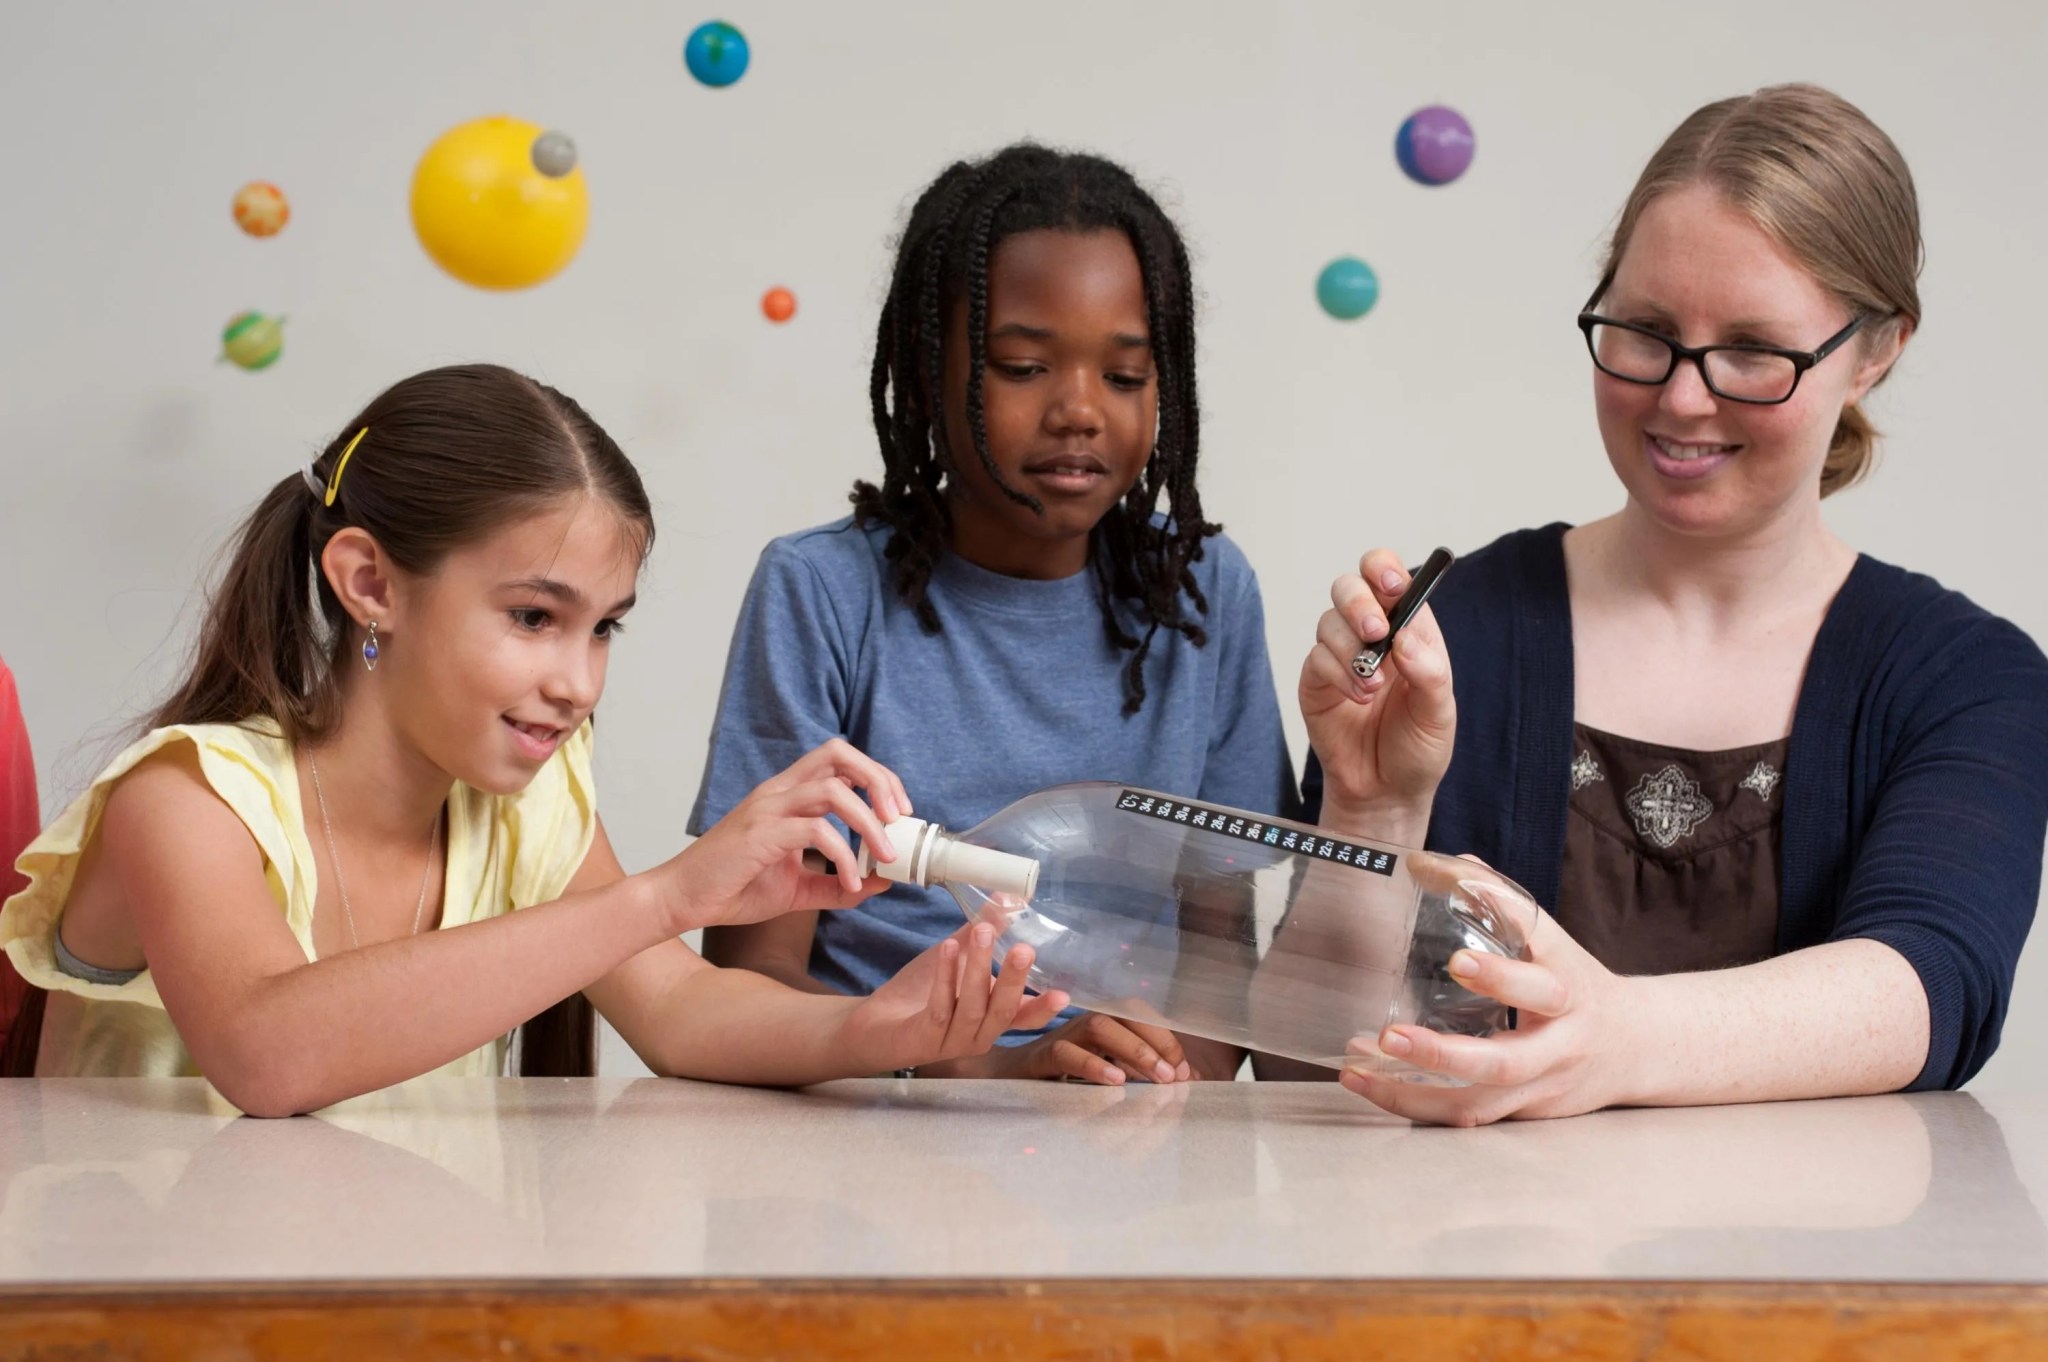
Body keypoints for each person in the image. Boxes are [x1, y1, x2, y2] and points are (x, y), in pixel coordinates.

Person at [0, 363, 1063, 1114]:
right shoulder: (185, 800)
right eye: (532, 618)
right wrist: (665, 894)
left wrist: (886, 1032)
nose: (577, 680)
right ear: (370, 584)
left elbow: (681, 1010)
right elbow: (267, 1054)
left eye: (603, 627)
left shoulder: (522, 807)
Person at [1298, 85, 2048, 1124]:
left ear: (1874, 352)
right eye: (1644, 331)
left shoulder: (1964, 679)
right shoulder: (1450, 632)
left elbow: (1932, 982)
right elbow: (1308, 1065)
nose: (1681, 398)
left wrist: (1615, 1041)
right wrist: (1367, 811)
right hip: (1469, 1275)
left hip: (1824, 1289)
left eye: (1752, 350)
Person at [693, 145, 1299, 1084]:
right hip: (867, 1153)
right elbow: (750, 981)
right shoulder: (822, 593)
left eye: (1127, 377)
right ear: (928, 373)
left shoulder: (1204, 596)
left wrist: (1161, 1098)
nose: (1080, 412)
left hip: (1129, 1163)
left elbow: (1217, 970)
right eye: (1022, 366)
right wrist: (1002, 1079)